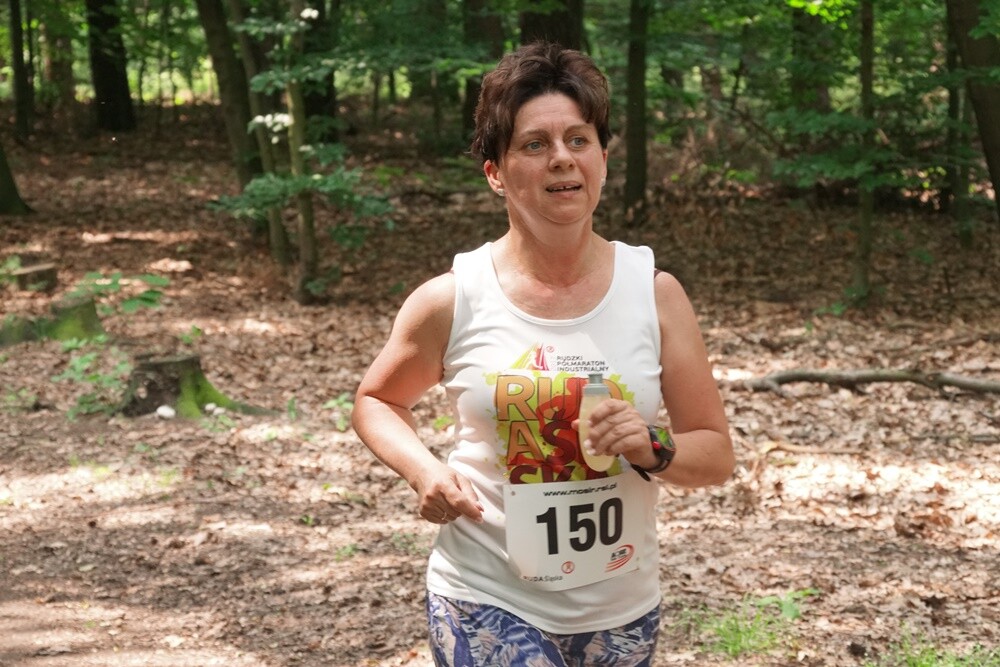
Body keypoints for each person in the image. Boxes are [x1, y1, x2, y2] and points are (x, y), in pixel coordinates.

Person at [352, 41, 734, 666]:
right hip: (486, 594)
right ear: (496, 172)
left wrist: (650, 445)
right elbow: (377, 401)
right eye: (535, 144)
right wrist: (424, 471)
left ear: (603, 159)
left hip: (621, 607)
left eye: (578, 140)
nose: (562, 159)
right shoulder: (453, 297)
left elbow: (715, 454)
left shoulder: (655, 293)